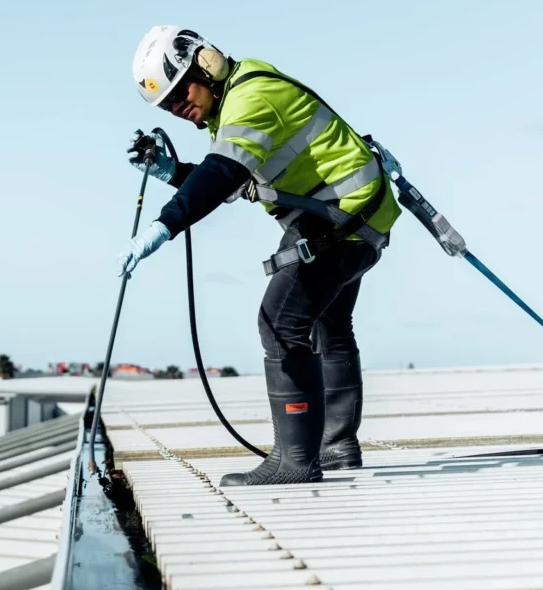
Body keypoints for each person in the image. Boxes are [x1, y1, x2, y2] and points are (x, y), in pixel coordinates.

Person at [119, 26, 402, 485]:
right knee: (328, 324)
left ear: (205, 65)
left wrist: (165, 224)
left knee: (279, 322)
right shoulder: (239, 98)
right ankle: (337, 447)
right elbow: (235, 179)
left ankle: (295, 461)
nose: (178, 109)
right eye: (168, 106)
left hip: (340, 223)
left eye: (180, 94)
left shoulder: (252, 98)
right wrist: (173, 173)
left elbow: (221, 172)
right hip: (359, 220)